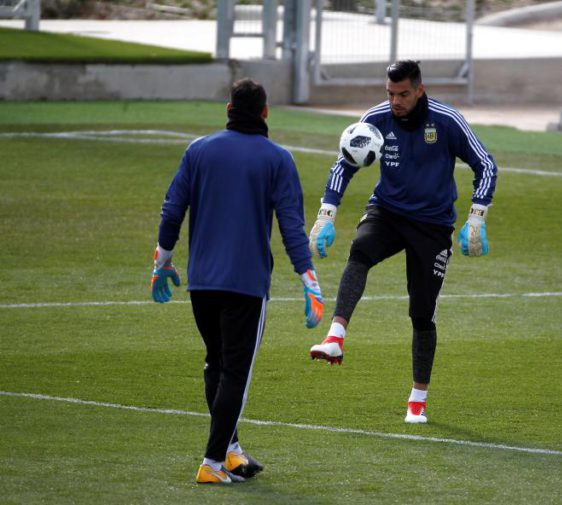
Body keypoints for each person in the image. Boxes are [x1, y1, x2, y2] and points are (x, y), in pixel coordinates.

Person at [150, 78, 324, 484]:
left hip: (202, 283)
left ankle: (230, 452)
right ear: (265, 113)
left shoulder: (199, 151)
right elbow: (292, 227)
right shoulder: (278, 159)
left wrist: (162, 263)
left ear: (229, 108)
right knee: (236, 374)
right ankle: (211, 462)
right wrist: (309, 278)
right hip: (245, 285)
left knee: (216, 364)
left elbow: (172, 210)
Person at [307, 60, 497, 424]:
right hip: (388, 212)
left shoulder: (446, 121)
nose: (395, 101)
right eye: (390, 93)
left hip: (433, 225)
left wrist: (477, 216)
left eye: (403, 94)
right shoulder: (376, 118)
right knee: (360, 251)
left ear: (420, 90)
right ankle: (335, 336)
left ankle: (417, 399)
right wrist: (326, 214)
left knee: (422, 313)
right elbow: (344, 163)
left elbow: (485, 164)